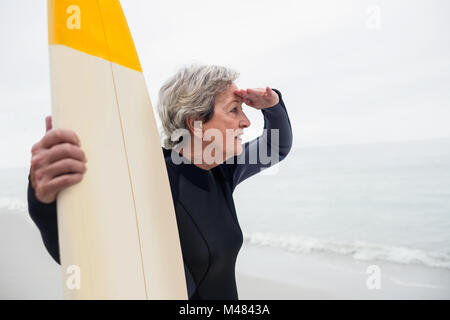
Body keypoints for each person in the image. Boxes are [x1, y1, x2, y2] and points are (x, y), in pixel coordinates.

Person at [27, 65, 293, 300]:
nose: (246, 122)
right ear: (196, 124)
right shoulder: (153, 182)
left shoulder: (221, 169)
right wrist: (44, 200)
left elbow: (274, 147)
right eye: (234, 110)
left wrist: (273, 105)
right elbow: (83, 253)